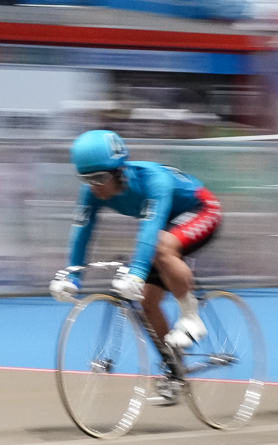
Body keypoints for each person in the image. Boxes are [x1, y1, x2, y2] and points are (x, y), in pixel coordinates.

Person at [51, 130, 222, 401]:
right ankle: (176, 371)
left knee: (159, 245)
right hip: (167, 225)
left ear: (119, 170)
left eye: (99, 178)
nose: (94, 186)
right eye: (86, 179)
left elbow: (149, 230)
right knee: (147, 302)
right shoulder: (93, 191)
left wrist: (137, 274)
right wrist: (72, 276)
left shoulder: (155, 181)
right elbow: (83, 229)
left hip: (203, 210)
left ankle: (191, 318)